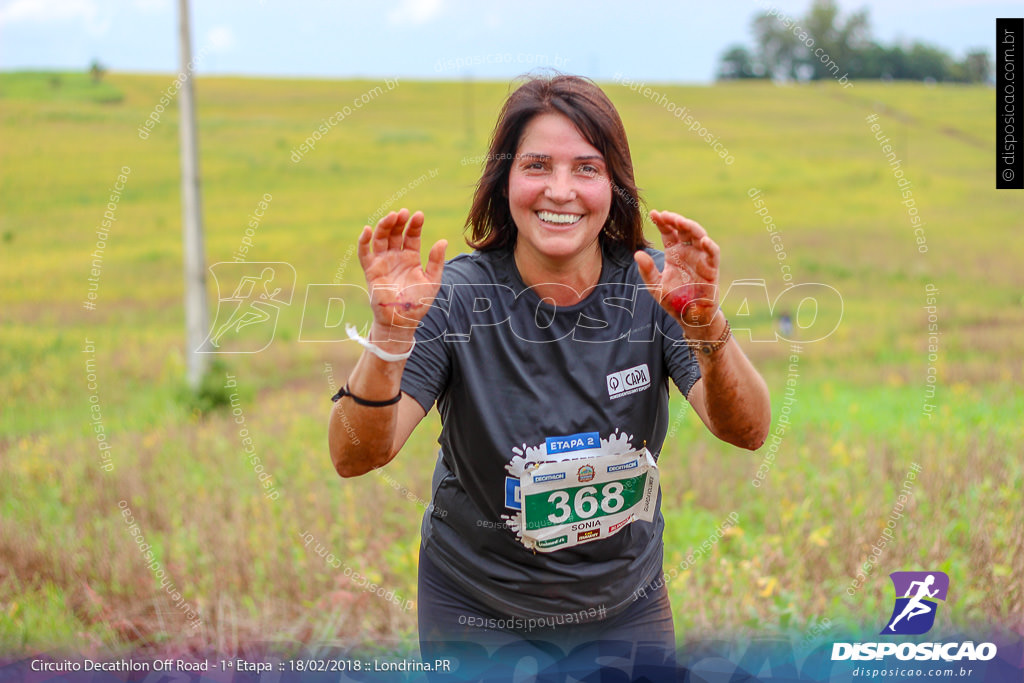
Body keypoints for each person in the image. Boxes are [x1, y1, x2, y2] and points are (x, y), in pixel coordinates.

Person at [328, 74, 770, 678]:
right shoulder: (454, 298)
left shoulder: (656, 287)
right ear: (504, 181)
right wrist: (390, 338)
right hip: (476, 612)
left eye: (586, 169)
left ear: (614, 185)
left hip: (626, 609)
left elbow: (746, 431)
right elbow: (354, 456)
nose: (560, 191)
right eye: (537, 165)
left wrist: (706, 325)